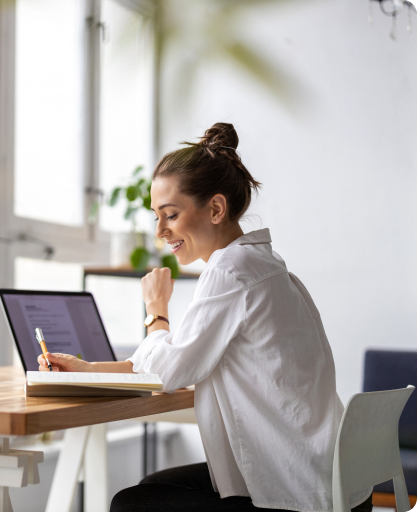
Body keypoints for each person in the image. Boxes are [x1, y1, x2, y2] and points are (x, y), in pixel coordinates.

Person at [38, 123, 373, 512]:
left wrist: (155, 311)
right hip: (331, 480)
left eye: (171, 215)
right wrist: (87, 368)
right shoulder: (263, 264)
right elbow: (177, 358)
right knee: (154, 487)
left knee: (131, 503)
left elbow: (168, 373)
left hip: (298, 494)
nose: (161, 231)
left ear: (215, 209)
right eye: (156, 217)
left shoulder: (230, 271)